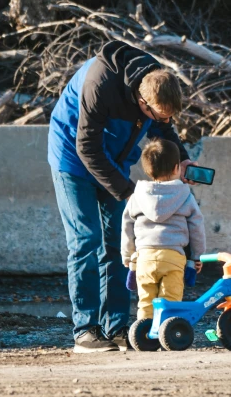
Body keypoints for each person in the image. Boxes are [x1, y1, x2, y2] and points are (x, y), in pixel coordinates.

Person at [48, 41, 194, 353]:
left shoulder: (155, 81)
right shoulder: (100, 83)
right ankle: (85, 330)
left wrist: (181, 157)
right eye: (158, 115)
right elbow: (86, 147)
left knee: (119, 242)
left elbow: (163, 127)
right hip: (72, 158)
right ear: (142, 103)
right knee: (85, 239)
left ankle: (116, 327)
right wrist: (129, 193)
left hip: (112, 158)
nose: (164, 121)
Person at [121, 138, 206, 321]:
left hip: (145, 258)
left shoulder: (137, 196)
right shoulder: (184, 195)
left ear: (147, 169)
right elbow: (196, 226)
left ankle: (144, 335)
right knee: (170, 302)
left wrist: (128, 256)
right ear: (177, 168)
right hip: (173, 257)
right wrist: (196, 256)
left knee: (145, 303)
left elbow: (127, 225)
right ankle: (167, 336)